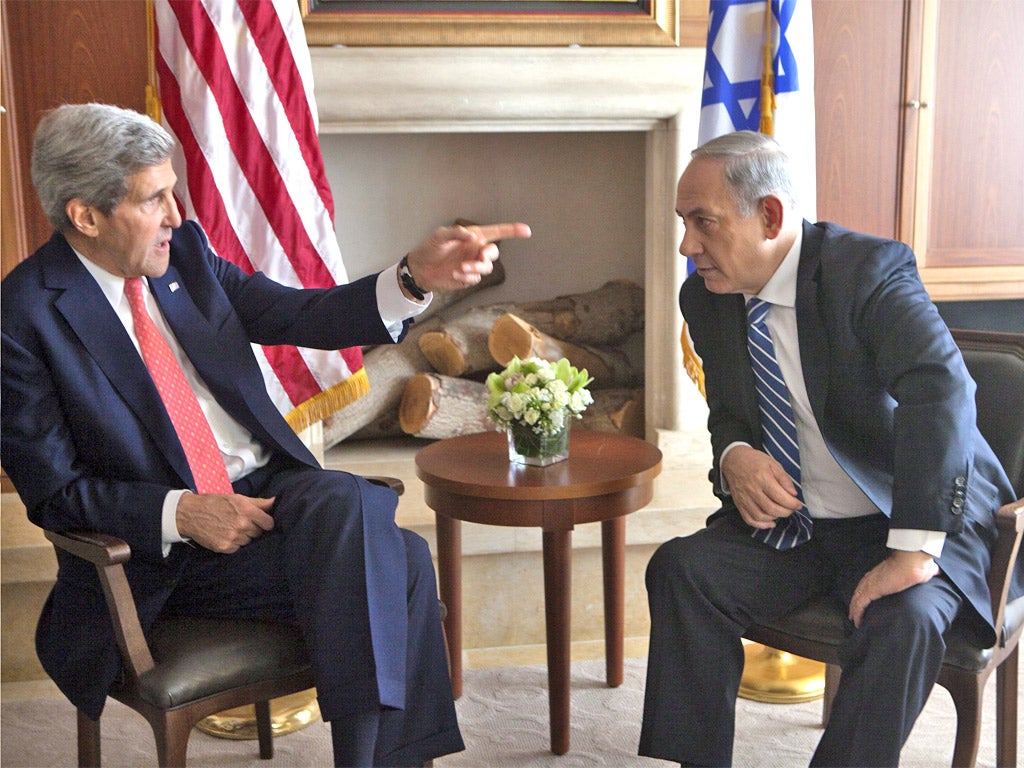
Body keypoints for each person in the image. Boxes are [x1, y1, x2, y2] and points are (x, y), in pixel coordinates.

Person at [0, 102, 531, 767]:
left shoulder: (183, 257)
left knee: (344, 504)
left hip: (272, 498)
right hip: (169, 555)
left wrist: (413, 278)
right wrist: (183, 512)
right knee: (401, 560)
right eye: (154, 199)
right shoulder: (22, 317)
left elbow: (297, 311)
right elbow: (55, 494)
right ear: (85, 216)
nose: (174, 216)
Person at [638, 130, 1021, 766]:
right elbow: (729, 408)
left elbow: (942, 393)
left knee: (907, 621)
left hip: (901, 519)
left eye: (703, 222)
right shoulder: (706, 296)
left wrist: (914, 550)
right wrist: (734, 455)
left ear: (770, 215)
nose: (687, 245)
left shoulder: (867, 271)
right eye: (684, 222)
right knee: (682, 570)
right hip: (799, 527)